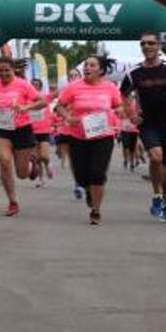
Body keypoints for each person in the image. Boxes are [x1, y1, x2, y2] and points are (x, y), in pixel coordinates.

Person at [120, 31, 166, 223]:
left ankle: (165, 205)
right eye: (143, 44)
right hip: (148, 123)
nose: (147, 47)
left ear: (159, 46)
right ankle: (157, 195)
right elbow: (124, 94)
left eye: (151, 43)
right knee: (155, 156)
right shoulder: (133, 73)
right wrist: (131, 114)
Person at [55, 55, 125, 225]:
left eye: (92, 65)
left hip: (103, 135)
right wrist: (68, 117)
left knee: (98, 173)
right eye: (86, 65)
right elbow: (59, 106)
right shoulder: (74, 87)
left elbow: (119, 106)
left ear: (101, 70)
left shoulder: (110, 88)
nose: (87, 68)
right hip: (78, 135)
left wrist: (120, 112)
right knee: (81, 176)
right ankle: (87, 189)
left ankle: (96, 210)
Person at [0, 55, 44, 216]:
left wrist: (26, 107)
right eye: (0, 71)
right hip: (1, 129)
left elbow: (42, 102)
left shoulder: (23, 85)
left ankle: (32, 166)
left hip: (22, 129)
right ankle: (13, 202)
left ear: (14, 70)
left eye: (7, 71)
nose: (4, 74)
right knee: (4, 162)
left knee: (22, 173)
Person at [28, 76, 55, 182]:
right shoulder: (26, 99)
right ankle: (41, 179)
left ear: (40, 87)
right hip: (31, 131)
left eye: (37, 85)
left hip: (44, 131)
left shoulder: (45, 97)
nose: (34, 87)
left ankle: (48, 164)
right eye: (32, 85)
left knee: (44, 156)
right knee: (36, 157)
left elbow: (55, 95)